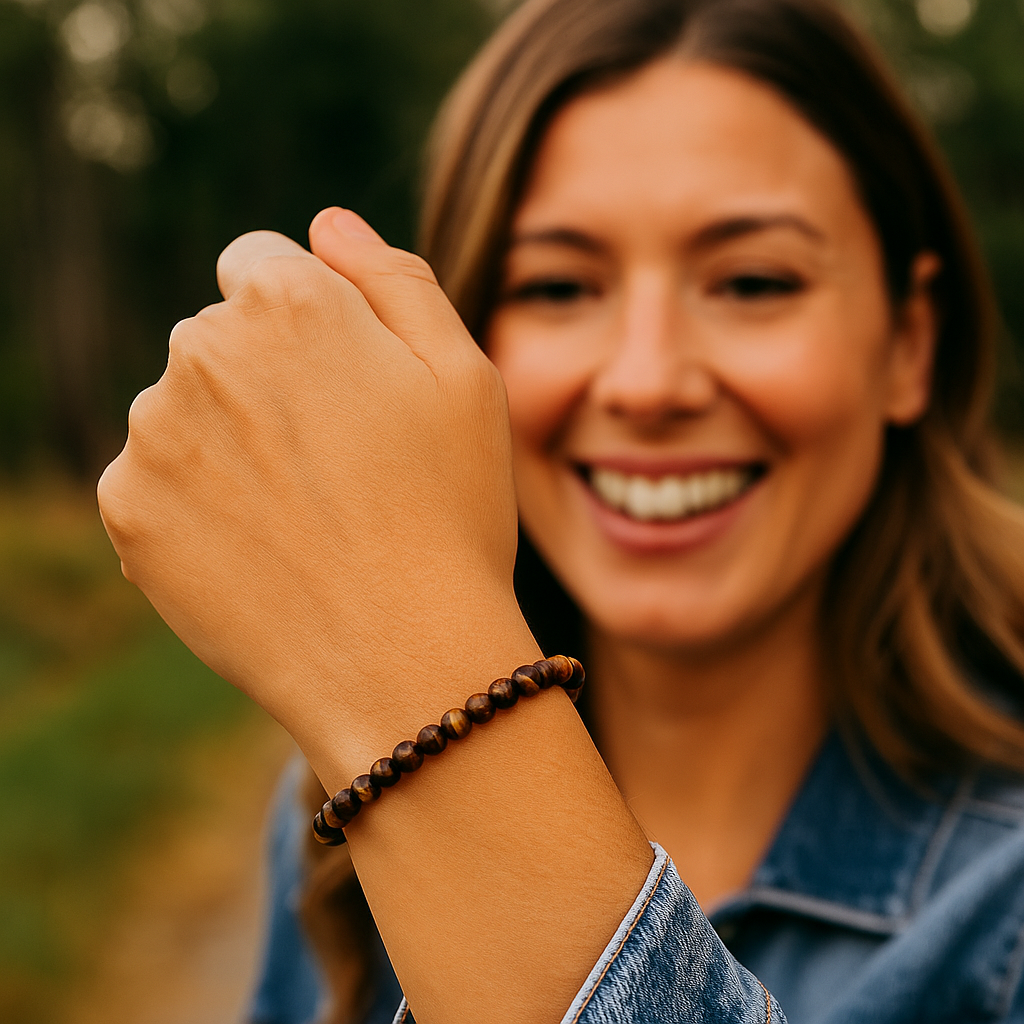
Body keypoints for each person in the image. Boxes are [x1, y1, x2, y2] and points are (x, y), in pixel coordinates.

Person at [97, 0, 1024, 1021]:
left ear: (908, 344)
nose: (645, 381)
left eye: (753, 280)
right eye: (557, 286)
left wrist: (422, 692)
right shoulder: (332, 816)